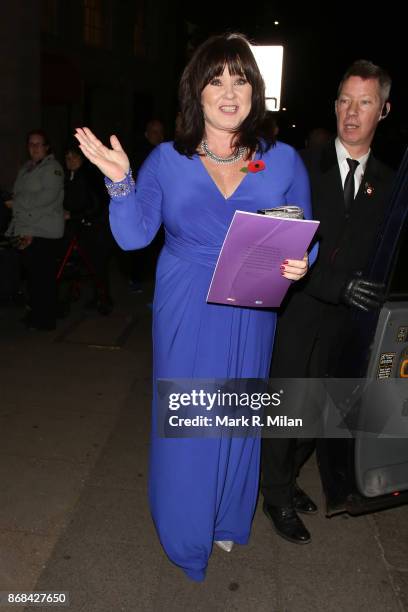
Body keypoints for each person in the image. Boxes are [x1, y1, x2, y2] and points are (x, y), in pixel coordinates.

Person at [75, 33, 315, 581]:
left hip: (252, 304)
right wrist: (119, 182)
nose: (229, 92)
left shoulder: (281, 160)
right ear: (196, 93)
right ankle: (185, 531)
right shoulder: (166, 160)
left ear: (255, 90)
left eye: (240, 79)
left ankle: (228, 515)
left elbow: (303, 229)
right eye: (216, 80)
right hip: (187, 300)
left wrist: (303, 260)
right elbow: (135, 237)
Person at [262, 60, 395, 545]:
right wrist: (333, 284)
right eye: (344, 100)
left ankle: (288, 477)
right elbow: (283, 242)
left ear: (383, 109)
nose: (351, 112)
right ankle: (274, 495)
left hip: (349, 321)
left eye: (364, 102)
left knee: (320, 415)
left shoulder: (389, 182)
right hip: (299, 305)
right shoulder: (302, 164)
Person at [6, 129, 64, 330]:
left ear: (47, 147)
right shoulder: (27, 168)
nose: (34, 148)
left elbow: (47, 198)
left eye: (39, 144)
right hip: (27, 228)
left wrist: (17, 203)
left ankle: (46, 320)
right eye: (31, 144)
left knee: (43, 277)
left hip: (43, 230)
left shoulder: (53, 168)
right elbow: (17, 193)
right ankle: (36, 313)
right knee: (32, 277)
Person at [61, 144, 114, 315]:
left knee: (98, 265)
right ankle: (94, 296)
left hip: (96, 227)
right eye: (68, 158)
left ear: (82, 157)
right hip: (83, 226)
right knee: (88, 263)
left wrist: (75, 215)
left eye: (74, 157)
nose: (71, 161)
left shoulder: (89, 175)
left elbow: (96, 203)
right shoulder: (71, 176)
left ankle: (104, 301)